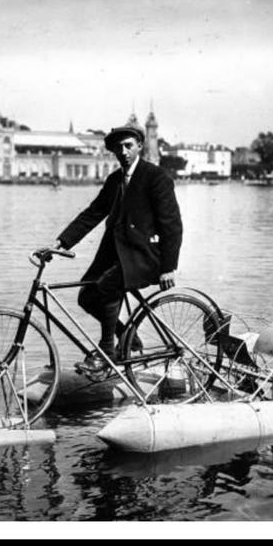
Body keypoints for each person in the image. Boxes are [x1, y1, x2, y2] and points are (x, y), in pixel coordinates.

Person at [47, 124, 183, 374]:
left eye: (128, 145)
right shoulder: (114, 180)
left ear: (140, 146)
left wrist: (168, 268)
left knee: (107, 286)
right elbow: (93, 214)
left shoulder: (156, 177)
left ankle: (107, 351)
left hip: (146, 257)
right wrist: (60, 243)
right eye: (118, 147)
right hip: (116, 253)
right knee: (86, 296)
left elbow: (172, 225)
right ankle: (129, 336)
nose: (123, 151)